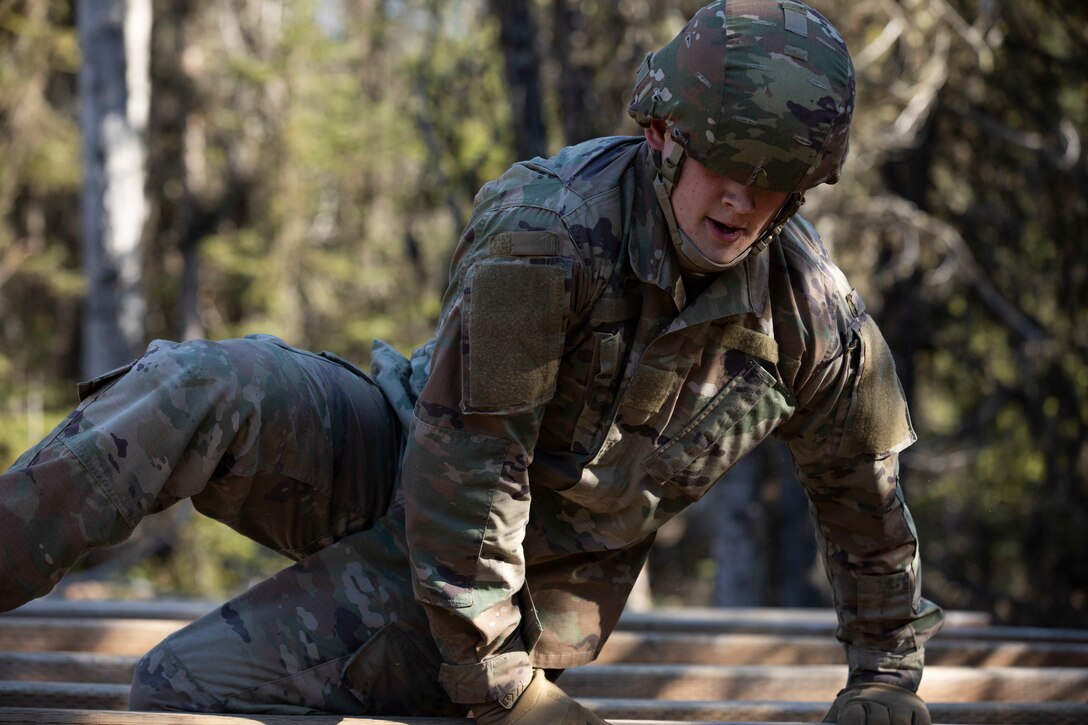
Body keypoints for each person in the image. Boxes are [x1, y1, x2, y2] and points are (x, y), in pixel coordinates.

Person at [0, 1, 944, 723]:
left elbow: (864, 496)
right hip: (409, 460)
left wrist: (887, 674)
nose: (741, 200)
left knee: (180, 689)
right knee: (199, 385)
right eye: (724, 163)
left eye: (773, 179)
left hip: (527, 583)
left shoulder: (811, 314)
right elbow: (468, 470)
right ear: (663, 134)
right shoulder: (553, 233)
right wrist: (500, 691)